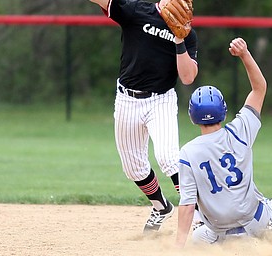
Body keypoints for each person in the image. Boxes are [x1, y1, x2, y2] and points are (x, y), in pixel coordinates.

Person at [88, 0, 198, 233]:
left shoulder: (187, 34)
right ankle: (161, 207)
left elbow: (188, 78)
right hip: (127, 100)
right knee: (133, 168)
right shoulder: (136, 10)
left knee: (168, 158)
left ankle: (198, 214)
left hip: (161, 100)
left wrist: (179, 39)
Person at [175, 37, 272, 247]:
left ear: (192, 116)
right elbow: (259, 88)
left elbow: (187, 205)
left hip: (218, 233)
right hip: (256, 224)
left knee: (196, 238)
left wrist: (176, 247)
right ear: (223, 112)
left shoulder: (187, 153)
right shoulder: (239, 131)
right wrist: (244, 54)